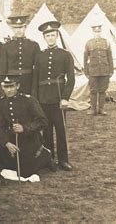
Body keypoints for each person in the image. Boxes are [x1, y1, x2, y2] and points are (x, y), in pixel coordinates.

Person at [0, 75, 54, 177]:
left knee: (25, 174)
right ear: (2, 88)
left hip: (30, 139)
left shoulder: (29, 100)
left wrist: (25, 128)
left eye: (11, 87)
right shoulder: (1, 104)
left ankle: (45, 156)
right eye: (6, 87)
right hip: (13, 138)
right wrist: (6, 143)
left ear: (17, 86)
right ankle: (15, 163)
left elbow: (43, 121)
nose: (8, 90)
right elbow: (0, 127)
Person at [32, 21, 75, 171]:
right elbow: (35, 80)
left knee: (61, 130)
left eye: (53, 35)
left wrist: (65, 97)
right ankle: (49, 159)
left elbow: (71, 79)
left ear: (57, 36)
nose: (50, 38)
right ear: (44, 38)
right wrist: (36, 100)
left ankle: (63, 160)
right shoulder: (39, 56)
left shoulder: (65, 55)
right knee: (47, 130)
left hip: (58, 98)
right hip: (43, 99)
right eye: (47, 35)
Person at [0, 16, 41, 95]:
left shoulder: (33, 45)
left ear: (25, 27)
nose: (18, 30)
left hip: (28, 82)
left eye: (21, 27)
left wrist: (35, 87)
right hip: (11, 83)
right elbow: (3, 69)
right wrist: (3, 88)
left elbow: (37, 68)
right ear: (12, 28)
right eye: (16, 28)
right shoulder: (6, 46)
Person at [84, 23, 113, 116]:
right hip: (93, 71)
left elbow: (110, 57)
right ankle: (93, 109)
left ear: (101, 31)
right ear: (93, 32)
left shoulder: (106, 42)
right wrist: (86, 71)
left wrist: (111, 70)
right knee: (93, 90)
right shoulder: (88, 43)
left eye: (99, 31)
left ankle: (101, 109)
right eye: (95, 32)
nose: (97, 33)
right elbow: (85, 59)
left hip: (104, 70)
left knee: (102, 90)